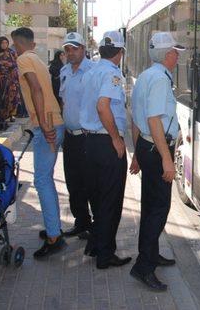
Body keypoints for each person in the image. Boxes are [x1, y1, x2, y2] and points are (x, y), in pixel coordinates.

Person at [129, 32, 184, 291]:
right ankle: (144, 266)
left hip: (146, 147)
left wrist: (137, 153)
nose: (177, 56)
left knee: (150, 207)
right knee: (158, 209)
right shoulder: (160, 80)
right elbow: (153, 120)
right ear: (168, 55)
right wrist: (167, 160)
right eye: (176, 52)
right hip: (157, 149)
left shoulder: (146, 76)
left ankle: (151, 253)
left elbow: (135, 117)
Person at [11, 27, 66, 259]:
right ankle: (54, 229)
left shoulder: (23, 59)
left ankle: (54, 237)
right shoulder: (37, 59)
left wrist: (43, 124)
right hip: (55, 122)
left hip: (47, 124)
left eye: (13, 46)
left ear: (17, 44)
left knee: (41, 180)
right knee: (46, 179)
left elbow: (35, 89)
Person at [79, 31, 131, 270]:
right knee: (111, 200)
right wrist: (116, 139)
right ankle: (105, 255)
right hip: (106, 143)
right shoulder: (113, 74)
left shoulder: (90, 72)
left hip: (89, 142)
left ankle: (95, 245)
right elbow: (103, 107)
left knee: (98, 198)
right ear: (120, 53)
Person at [59, 32, 94, 238]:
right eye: (67, 49)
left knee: (90, 182)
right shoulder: (64, 71)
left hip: (87, 137)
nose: (70, 52)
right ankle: (81, 222)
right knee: (73, 182)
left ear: (83, 49)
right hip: (70, 136)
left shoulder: (93, 71)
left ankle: (94, 226)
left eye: (74, 48)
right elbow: (64, 102)